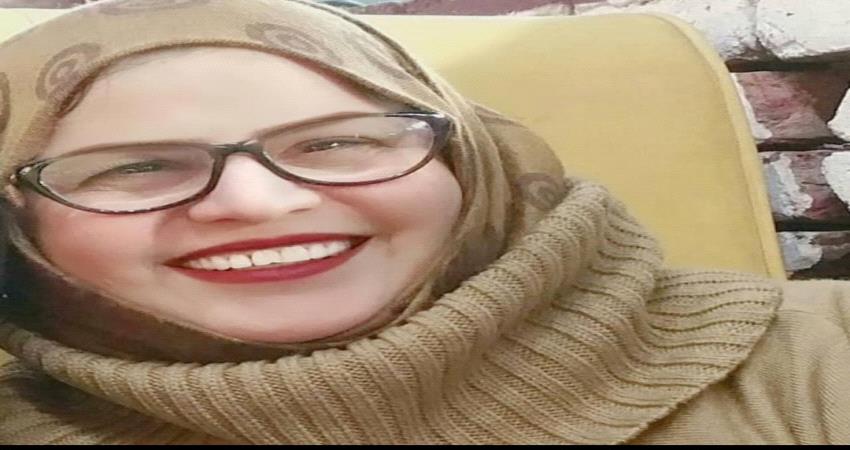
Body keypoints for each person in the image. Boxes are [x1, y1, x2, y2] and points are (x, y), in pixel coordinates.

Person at [0, 0, 847, 445]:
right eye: (136, 167)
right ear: (18, 221)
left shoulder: (819, 352)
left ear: (467, 162)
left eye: (337, 143)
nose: (256, 203)